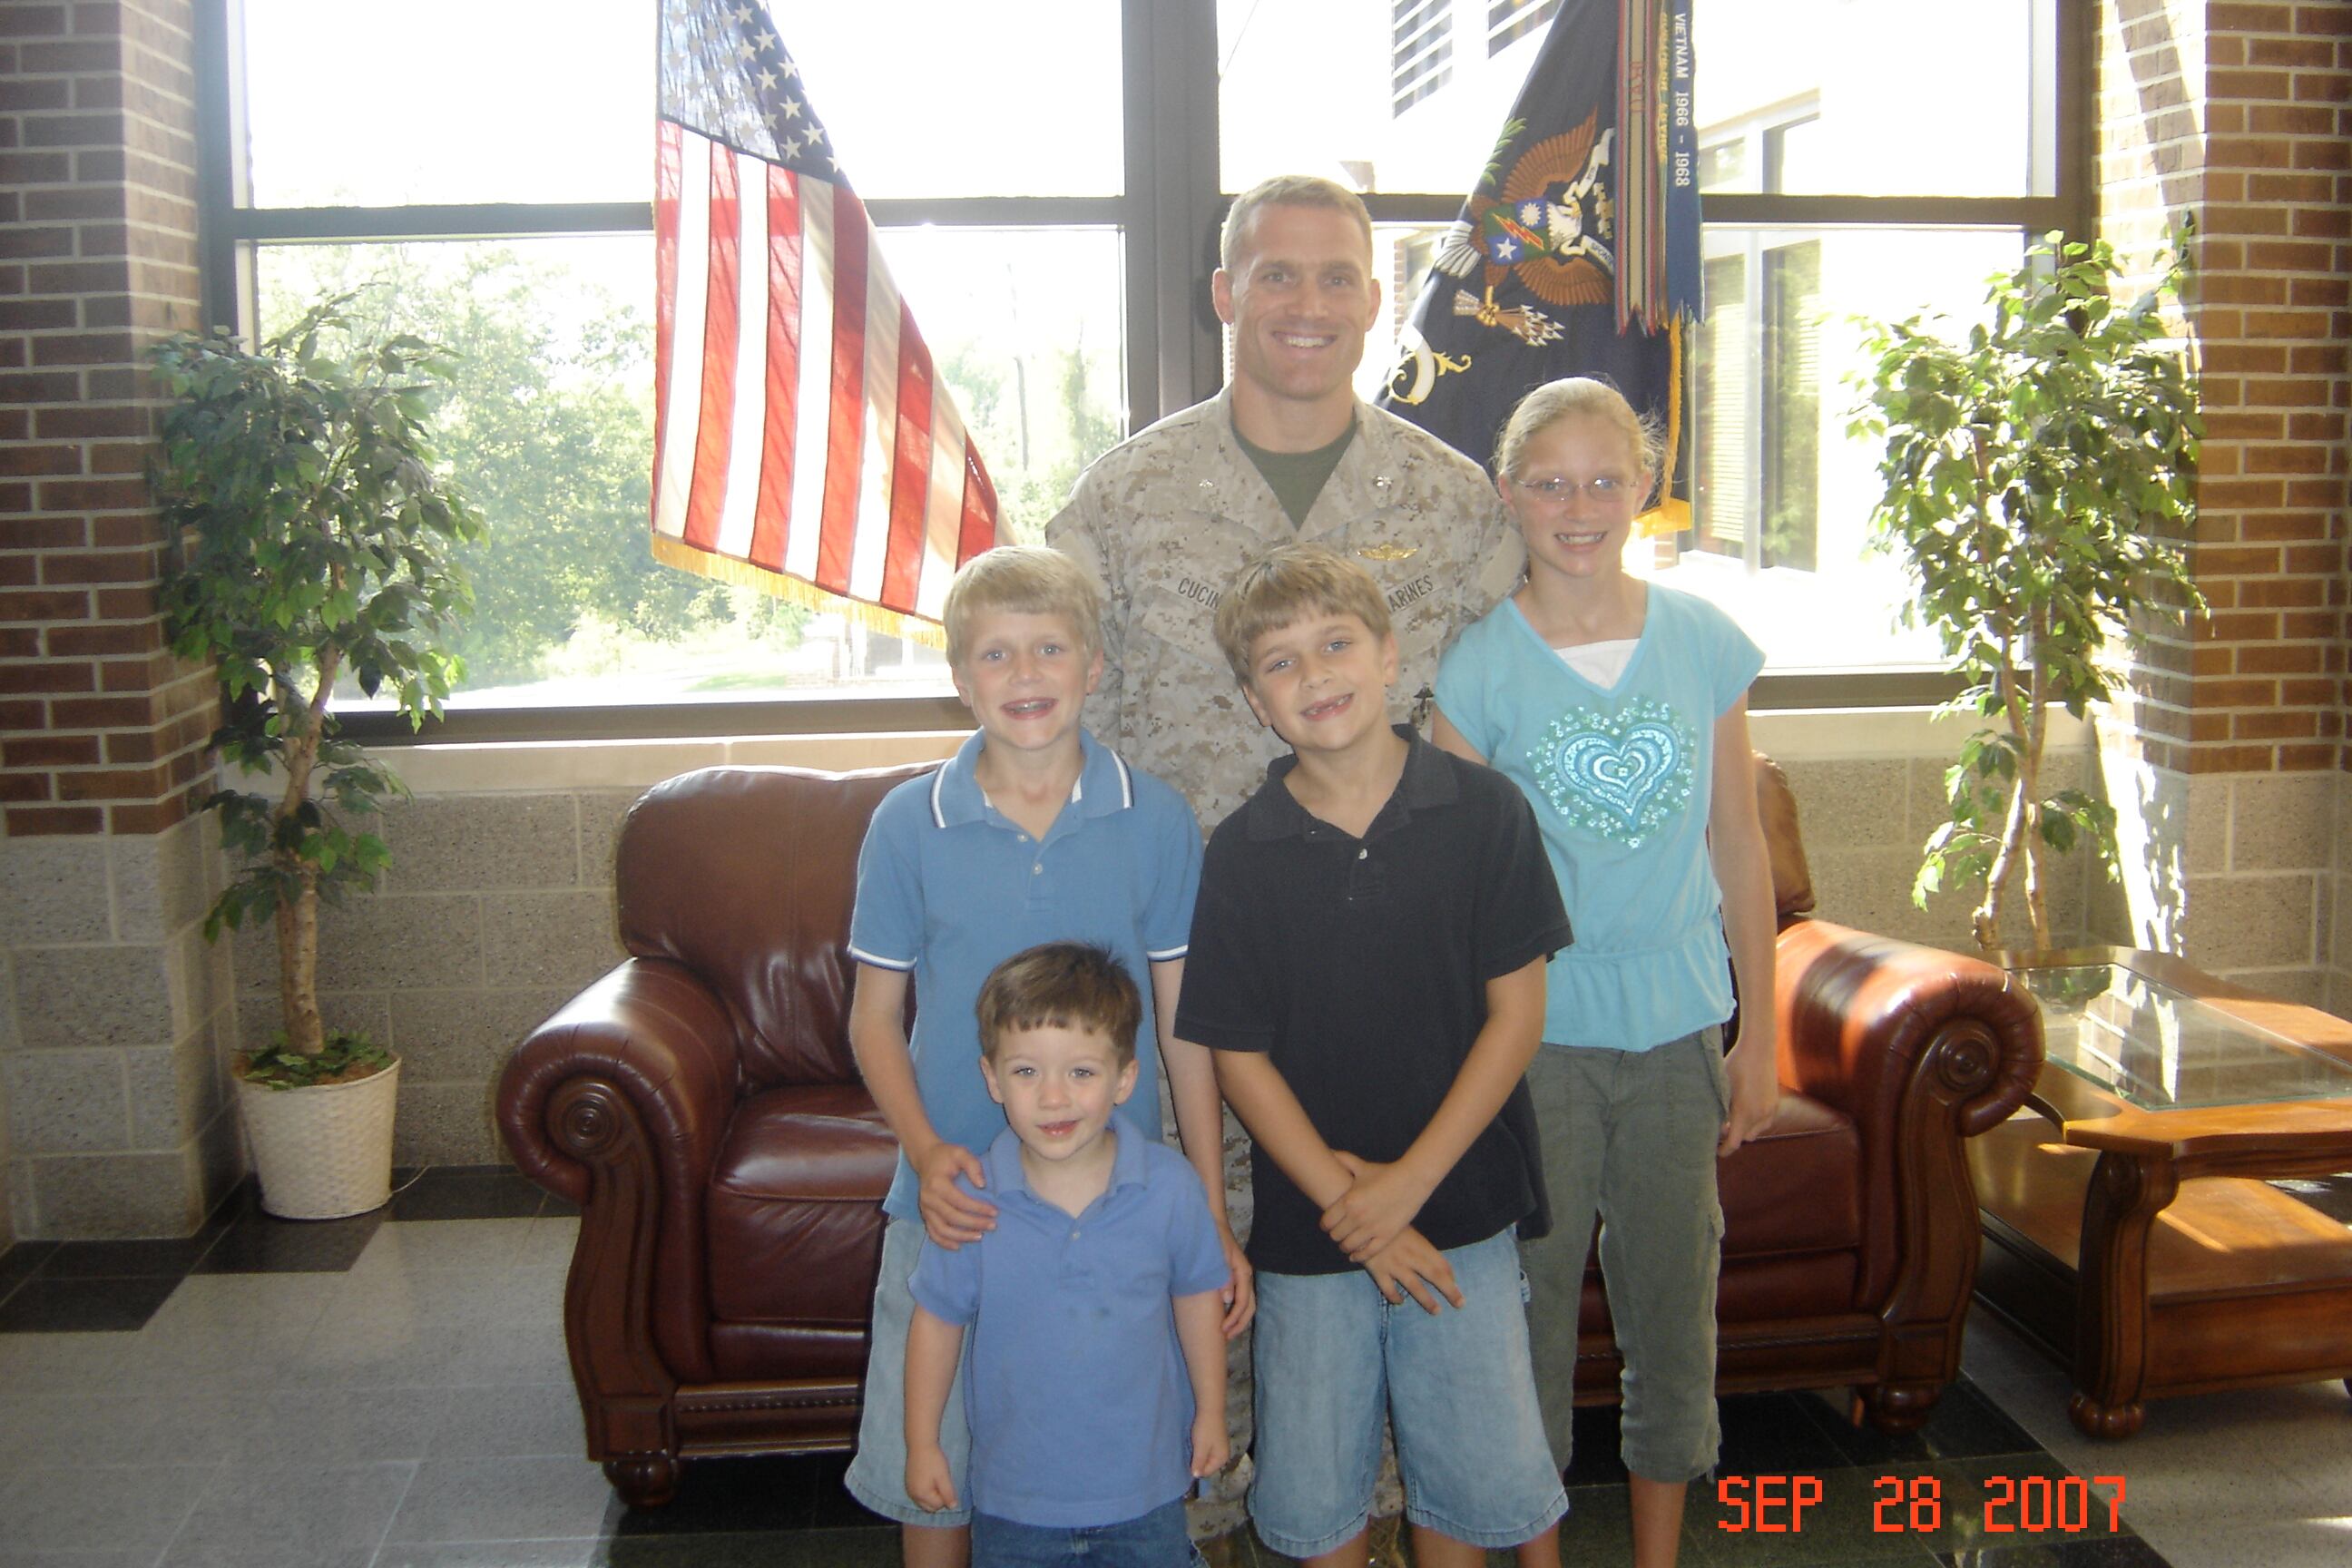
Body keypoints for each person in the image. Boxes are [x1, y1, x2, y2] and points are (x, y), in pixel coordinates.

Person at [842, 545, 1251, 1568]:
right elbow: (871, 1019)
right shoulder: (907, 824)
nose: (1025, 676)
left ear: (1096, 666)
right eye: (995, 654)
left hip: (1117, 1205)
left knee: (1116, 1462)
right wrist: (929, 1154)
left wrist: (1205, 1200)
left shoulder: (1153, 818)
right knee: (928, 1473)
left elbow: (1183, 1022)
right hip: (956, 1197)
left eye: (1050, 649)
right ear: (958, 676)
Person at [1429, 377, 1780, 1568]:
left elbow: (1740, 845)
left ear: (1644, 484)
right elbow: (1457, 890)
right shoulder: (1476, 670)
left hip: (1681, 1029)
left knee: (1672, 1310)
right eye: (1549, 481)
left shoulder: (1702, 644)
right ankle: (1537, 1548)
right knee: (1529, 1309)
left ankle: (1657, 1552)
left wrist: (1762, 1040)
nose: (1577, 506)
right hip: (1538, 1039)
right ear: (1507, 493)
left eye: (1602, 479)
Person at [1174, 544, 1572, 1568]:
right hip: (1313, 1231)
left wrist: (1406, 1191)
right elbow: (1237, 1054)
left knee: (1468, 1489)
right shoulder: (1241, 850)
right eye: (1280, 662)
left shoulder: (1487, 814)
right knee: (1315, 1503)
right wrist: (1354, 1210)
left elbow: (1516, 1019)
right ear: (1257, 703)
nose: (1315, 676)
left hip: (1464, 1208)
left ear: (1392, 656)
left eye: (1336, 644)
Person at [1047, 173, 1523, 834]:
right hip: (1189, 914)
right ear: (1225, 295)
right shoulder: (1122, 501)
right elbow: (1064, 732)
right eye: (1276, 277)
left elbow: (1515, 719)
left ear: (1373, 301)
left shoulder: (1457, 504)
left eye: (1337, 279)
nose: (1310, 306)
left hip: (1403, 907)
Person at [902, 942, 1233, 1568]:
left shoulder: (1170, 1188)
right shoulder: (971, 1202)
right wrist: (923, 1444)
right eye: (1027, 1072)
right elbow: (936, 1322)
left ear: (1124, 1078)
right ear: (992, 1077)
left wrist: (1211, 1411)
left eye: (1081, 1072)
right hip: (1015, 1504)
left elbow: (1197, 1298)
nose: (1054, 1098)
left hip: (1146, 1493)